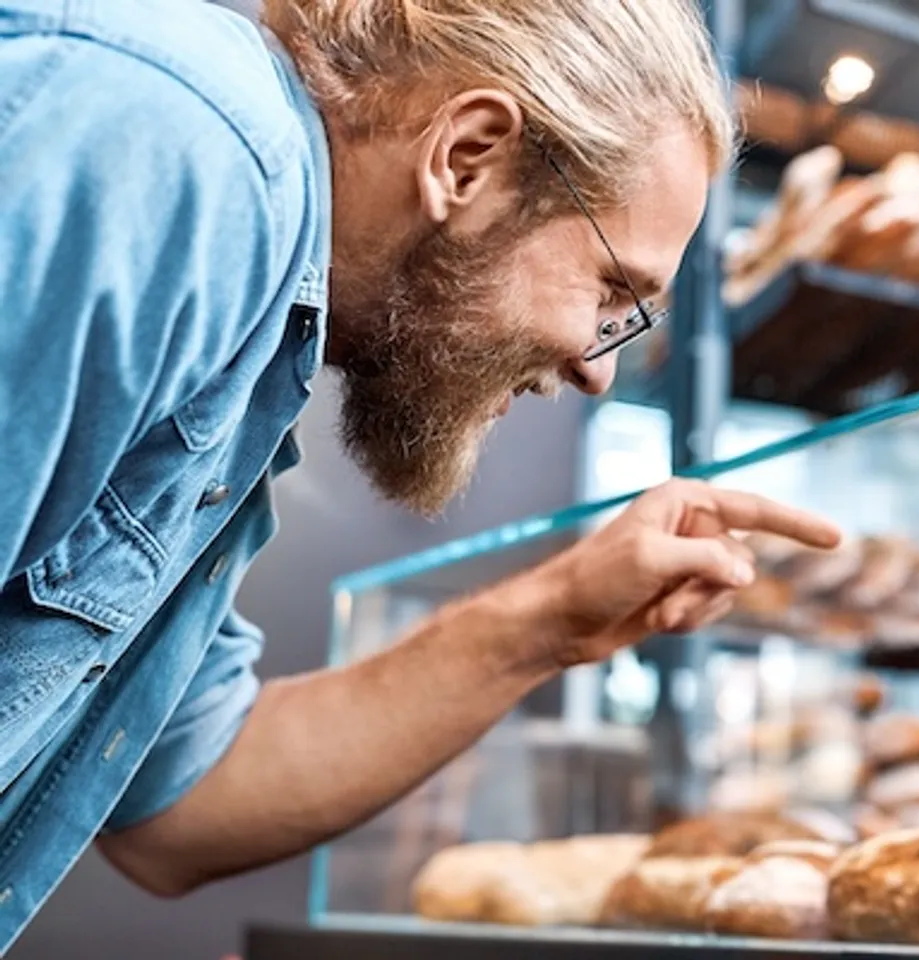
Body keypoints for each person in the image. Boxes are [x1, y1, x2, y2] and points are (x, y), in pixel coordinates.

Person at [0, 0, 841, 949]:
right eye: (613, 290)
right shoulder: (179, 146)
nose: (597, 366)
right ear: (467, 157)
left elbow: (183, 805)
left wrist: (558, 616)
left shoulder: (255, 352)